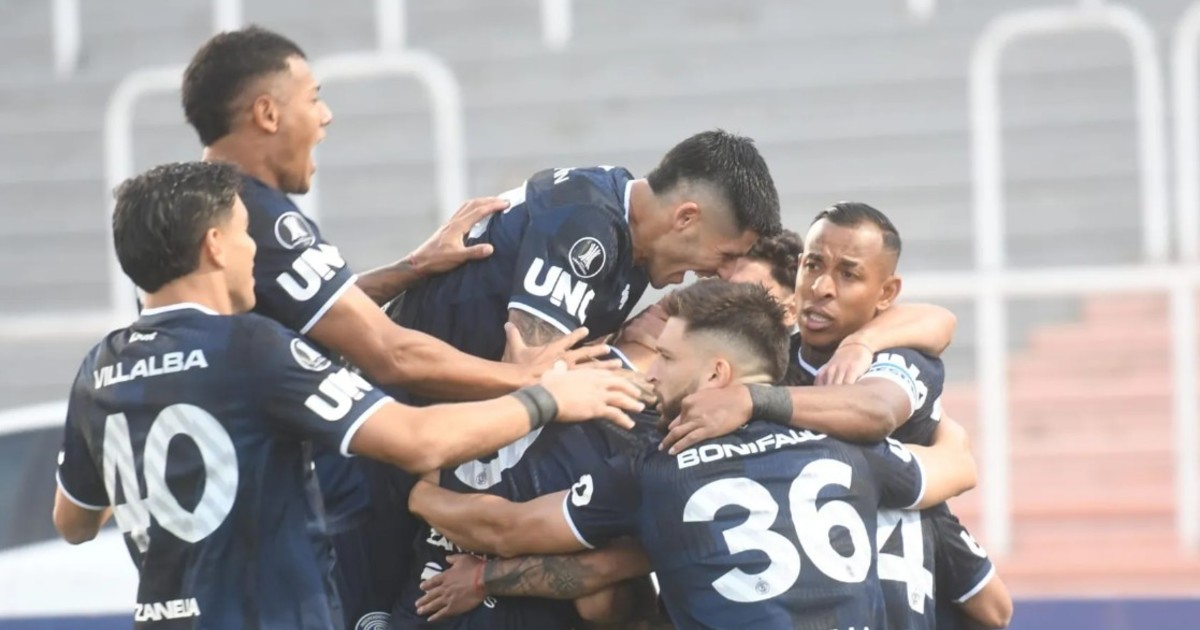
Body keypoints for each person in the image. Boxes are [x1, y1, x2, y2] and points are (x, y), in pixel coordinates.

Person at [50, 162, 643, 629]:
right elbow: (415, 441)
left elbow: (74, 521)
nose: (255, 249)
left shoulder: (100, 369)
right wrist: (548, 397)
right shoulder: (252, 347)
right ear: (214, 246)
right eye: (244, 233)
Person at [181, 27, 610, 625]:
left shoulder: (190, 212)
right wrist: (534, 383)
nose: (325, 116)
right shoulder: (258, 217)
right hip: (284, 522)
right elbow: (392, 354)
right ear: (268, 113)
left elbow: (306, 311)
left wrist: (412, 268)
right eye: (313, 98)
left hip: (219, 533)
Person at [407, 280, 978, 629]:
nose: (651, 373)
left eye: (667, 358)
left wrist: (421, 485)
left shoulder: (657, 469)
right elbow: (957, 466)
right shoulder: (850, 445)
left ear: (715, 374)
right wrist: (939, 427)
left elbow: (505, 528)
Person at [660, 201, 1007, 629]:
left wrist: (757, 398)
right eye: (813, 266)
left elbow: (878, 409)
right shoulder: (767, 366)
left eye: (848, 274)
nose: (822, 287)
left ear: (886, 294)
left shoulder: (895, 358)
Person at [386, 130, 783, 374]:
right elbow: (527, 377)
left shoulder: (636, 238)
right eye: (726, 255)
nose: (724, 273)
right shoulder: (589, 227)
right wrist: (634, 373)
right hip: (387, 416)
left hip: (424, 411)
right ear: (685, 218)